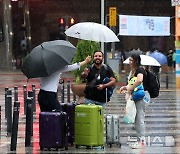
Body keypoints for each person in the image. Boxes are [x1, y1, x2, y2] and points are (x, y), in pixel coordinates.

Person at [119, 53, 150, 149]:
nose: (129, 62)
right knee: (137, 119)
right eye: (129, 60)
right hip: (137, 96)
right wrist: (126, 87)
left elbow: (139, 80)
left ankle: (141, 141)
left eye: (131, 60)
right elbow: (132, 83)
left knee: (139, 118)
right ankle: (139, 140)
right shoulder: (133, 71)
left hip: (142, 97)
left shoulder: (140, 69)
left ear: (136, 61)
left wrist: (130, 88)